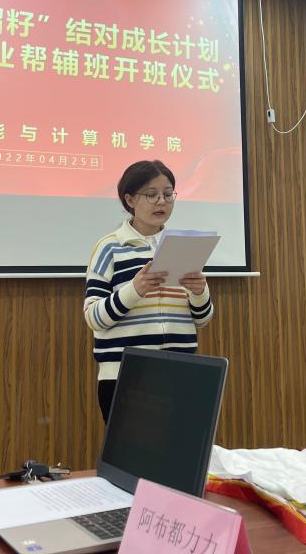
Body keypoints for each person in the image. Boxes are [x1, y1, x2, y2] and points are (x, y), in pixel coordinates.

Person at [83, 159, 214, 422]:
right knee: (133, 450)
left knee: (181, 447)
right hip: (127, 377)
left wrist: (200, 293)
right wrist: (135, 289)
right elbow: (93, 317)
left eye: (168, 194)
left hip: (181, 372)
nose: (161, 202)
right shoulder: (110, 247)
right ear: (130, 200)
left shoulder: (182, 247)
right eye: (151, 195)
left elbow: (202, 319)